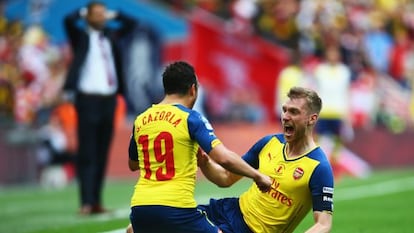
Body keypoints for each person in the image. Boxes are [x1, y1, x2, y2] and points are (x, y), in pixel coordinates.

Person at [126, 86, 334, 233]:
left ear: (311, 119)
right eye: (284, 110)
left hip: (252, 230)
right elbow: (225, 178)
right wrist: (206, 163)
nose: (286, 116)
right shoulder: (269, 143)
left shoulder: (318, 167)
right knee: (135, 229)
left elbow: (323, 224)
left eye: (294, 112)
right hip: (228, 211)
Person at [127, 61, 272, 233]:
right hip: (176, 208)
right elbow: (223, 157)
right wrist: (257, 175)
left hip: (140, 208)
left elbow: (133, 164)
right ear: (193, 89)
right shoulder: (191, 118)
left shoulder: (141, 120)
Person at [62, 1, 136, 215]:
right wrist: (84, 13)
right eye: (97, 14)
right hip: (87, 100)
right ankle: (85, 201)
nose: (101, 17)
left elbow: (131, 23)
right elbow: (67, 20)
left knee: (102, 151)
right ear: (88, 17)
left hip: (109, 100)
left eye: (103, 14)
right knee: (87, 152)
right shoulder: (81, 37)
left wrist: (112, 15)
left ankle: (96, 201)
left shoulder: (110, 37)